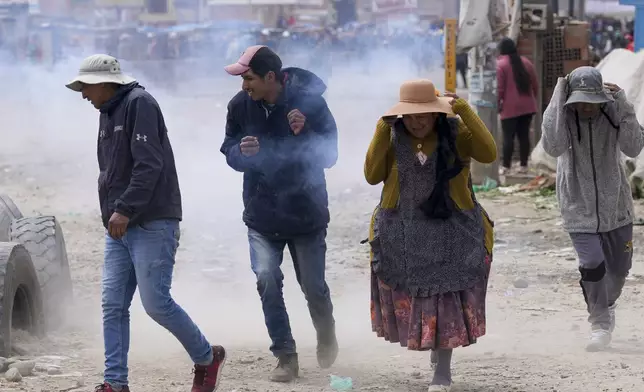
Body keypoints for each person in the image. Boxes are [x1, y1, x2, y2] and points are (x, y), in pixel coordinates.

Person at [65, 54, 226, 392]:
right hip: (118, 225)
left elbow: (149, 165)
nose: (83, 95)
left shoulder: (140, 104)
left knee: (156, 304)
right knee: (112, 306)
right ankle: (115, 382)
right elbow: (110, 171)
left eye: (86, 88)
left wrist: (123, 208)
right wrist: (113, 213)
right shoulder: (107, 112)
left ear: (105, 83)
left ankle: (207, 357)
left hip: (151, 221)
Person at [365, 79, 496, 391]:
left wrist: (463, 107)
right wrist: (383, 128)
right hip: (403, 232)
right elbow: (371, 175)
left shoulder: (456, 134)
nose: (417, 122)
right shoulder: (393, 137)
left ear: (437, 114)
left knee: (445, 299)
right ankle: (436, 352)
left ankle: (443, 370)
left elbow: (489, 154)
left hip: (452, 231)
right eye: (410, 116)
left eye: (424, 114)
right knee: (421, 299)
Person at [220, 45, 339, 382]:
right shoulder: (239, 106)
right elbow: (228, 149)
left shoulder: (310, 102)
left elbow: (330, 153)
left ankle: (326, 330)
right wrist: (241, 154)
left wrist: (308, 133)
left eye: (249, 77)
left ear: (271, 77)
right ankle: (285, 356)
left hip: (306, 213)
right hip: (261, 212)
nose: (244, 85)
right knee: (266, 280)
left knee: (313, 287)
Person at [541, 66, 644, 352]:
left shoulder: (613, 113)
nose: (586, 106)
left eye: (591, 100)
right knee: (592, 263)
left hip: (616, 205)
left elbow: (634, 147)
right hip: (577, 204)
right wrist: (558, 96)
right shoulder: (564, 118)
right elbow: (552, 146)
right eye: (580, 100)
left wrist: (623, 103)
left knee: (620, 269)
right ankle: (599, 323)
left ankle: (606, 304)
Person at [496, 37, 538, 175]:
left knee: (508, 137)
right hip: (527, 106)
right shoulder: (526, 62)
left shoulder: (501, 64)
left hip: (510, 108)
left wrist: (497, 105)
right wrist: (533, 99)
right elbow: (535, 84)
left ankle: (506, 166)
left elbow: (500, 89)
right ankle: (524, 165)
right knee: (524, 136)